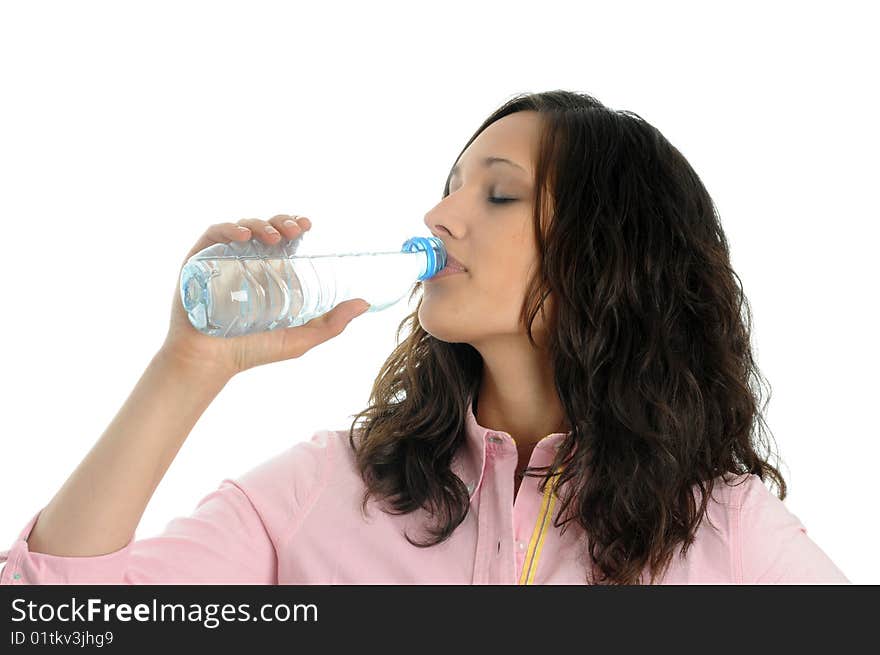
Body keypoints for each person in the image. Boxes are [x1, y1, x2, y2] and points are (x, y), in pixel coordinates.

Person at [0, 91, 850, 585]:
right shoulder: (328, 488)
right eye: (449, 189)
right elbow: (54, 616)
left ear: (611, 250)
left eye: (499, 194)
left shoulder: (724, 530)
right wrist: (186, 365)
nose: (440, 216)